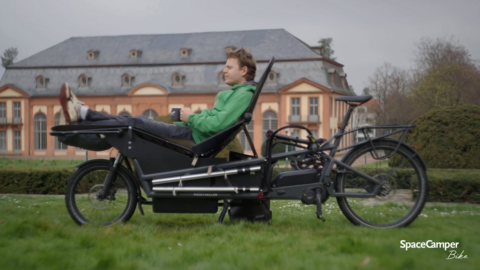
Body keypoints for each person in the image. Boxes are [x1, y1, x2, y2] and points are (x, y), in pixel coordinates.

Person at [59, 48, 257, 144]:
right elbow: (215, 120)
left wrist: (191, 118)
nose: (224, 70)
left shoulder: (242, 95)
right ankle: (82, 116)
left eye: (229, 67)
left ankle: (82, 114)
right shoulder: (236, 93)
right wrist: (183, 121)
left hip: (193, 137)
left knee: (135, 121)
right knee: (133, 122)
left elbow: (216, 125)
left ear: (243, 70)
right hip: (191, 132)